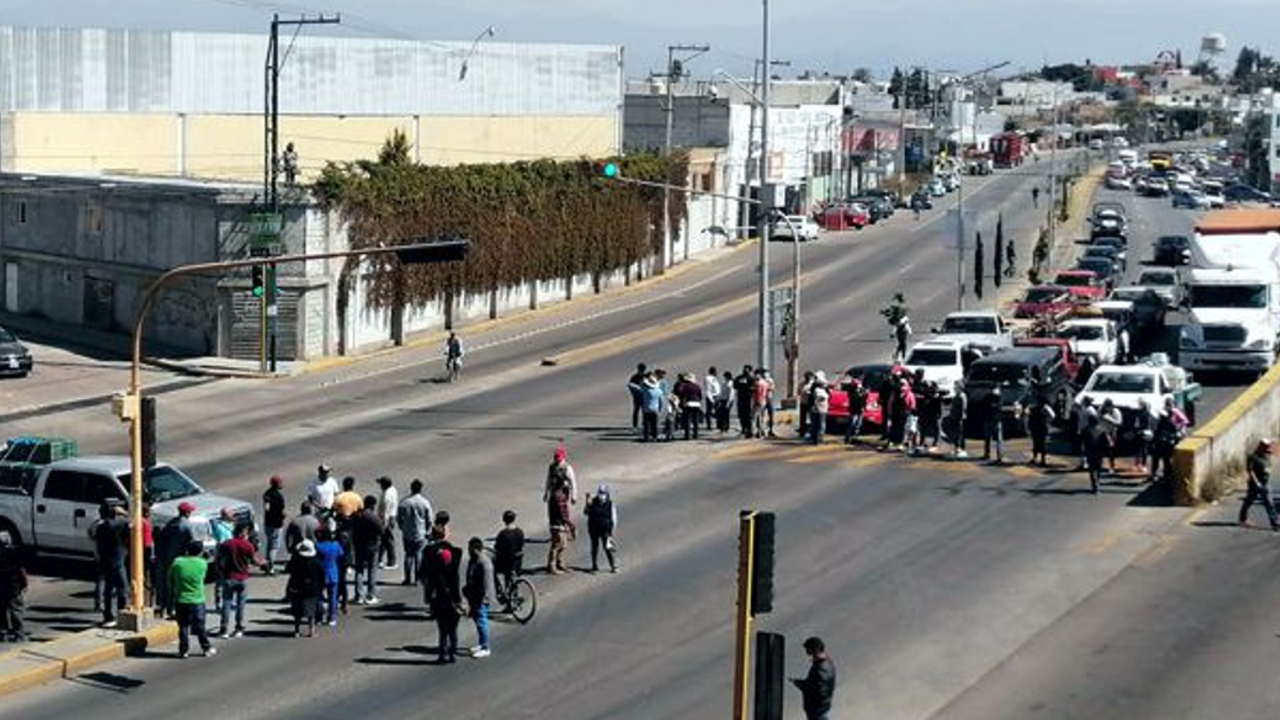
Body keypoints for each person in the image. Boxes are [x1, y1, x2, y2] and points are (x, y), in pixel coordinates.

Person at [170, 540, 215, 658]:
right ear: (200, 551)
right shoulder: (202, 563)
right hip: (197, 600)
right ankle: (206, 648)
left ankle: (183, 650)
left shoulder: (177, 562)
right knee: (200, 626)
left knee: (183, 626)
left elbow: (170, 579)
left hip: (181, 599)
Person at [217, 522, 259, 638]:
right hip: (242, 578)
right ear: (241, 533)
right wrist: (263, 563)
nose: (247, 535)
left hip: (229, 577)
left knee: (226, 603)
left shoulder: (226, 544)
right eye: (246, 532)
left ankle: (224, 629)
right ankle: (239, 627)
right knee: (241, 605)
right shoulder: (247, 545)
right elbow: (254, 560)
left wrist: (221, 572)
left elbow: (219, 560)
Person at [423, 537, 462, 663]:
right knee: (453, 631)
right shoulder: (454, 571)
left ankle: (442, 654)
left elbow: (430, 588)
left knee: (443, 631)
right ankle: (452, 653)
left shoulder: (436, 573)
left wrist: (429, 599)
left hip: (441, 604)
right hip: (453, 604)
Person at [155, 502, 197, 618]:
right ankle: (173, 609)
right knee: (177, 585)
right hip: (179, 559)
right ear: (187, 512)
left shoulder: (171, 523)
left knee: (167, 584)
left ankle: (166, 608)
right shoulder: (186, 525)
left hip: (167, 558)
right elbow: (192, 543)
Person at [92, 503, 129, 627]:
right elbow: (132, 522)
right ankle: (121, 613)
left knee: (108, 589)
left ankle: (108, 615)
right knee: (122, 588)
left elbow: (93, 536)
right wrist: (123, 512)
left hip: (105, 560)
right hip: (117, 561)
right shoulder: (118, 524)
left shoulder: (100, 527)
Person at [461, 537, 496, 659]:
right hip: (474, 596)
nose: (468, 551)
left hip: (481, 598)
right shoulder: (474, 560)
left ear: (475, 549)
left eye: (470, 548)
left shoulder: (484, 563)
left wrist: (480, 599)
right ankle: (481, 644)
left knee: (481, 621)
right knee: (477, 619)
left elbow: (485, 585)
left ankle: (485, 647)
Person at [543, 446, 577, 574]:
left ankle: (560, 563)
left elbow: (573, 482)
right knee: (558, 542)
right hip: (556, 513)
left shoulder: (567, 468)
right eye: (555, 458)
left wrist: (574, 496)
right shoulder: (551, 467)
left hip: (561, 501)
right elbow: (548, 481)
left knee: (563, 543)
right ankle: (552, 565)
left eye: (559, 458)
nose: (557, 460)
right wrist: (546, 493)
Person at [790, 636, 837, 720]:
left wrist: (799, 683)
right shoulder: (825, 662)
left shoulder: (821, 668)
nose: (806, 651)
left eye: (808, 649)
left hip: (817, 710)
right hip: (821, 708)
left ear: (815, 650)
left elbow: (816, 690)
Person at [397, 479, 433, 586]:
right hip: (420, 532)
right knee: (419, 556)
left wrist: (402, 528)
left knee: (408, 555)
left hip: (407, 533)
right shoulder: (425, 502)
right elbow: (429, 519)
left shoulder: (404, 502)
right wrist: (427, 529)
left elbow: (399, 518)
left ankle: (407, 578)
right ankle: (418, 578)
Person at [285, 539, 324, 638]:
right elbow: (321, 576)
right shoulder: (316, 562)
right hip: (312, 589)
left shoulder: (296, 560)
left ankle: (296, 630)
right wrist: (321, 589)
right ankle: (311, 630)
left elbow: (289, 570)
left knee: (297, 611)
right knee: (311, 612)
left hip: (297, 588)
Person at [351, 495, 384, 605]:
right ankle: (370, 595)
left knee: (359, 570)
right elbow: (381, 530)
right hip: (371, 546)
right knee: (371, 570)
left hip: (359, 545)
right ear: (373, 505)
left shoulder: (357, 515)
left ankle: (358, 596)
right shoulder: (373, 517)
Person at [1239, 439, 1279, 531]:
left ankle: (1275, 523)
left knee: (1269, 503)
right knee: (1250, 501)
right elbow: (1250, 471)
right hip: (1256, 484)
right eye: (1266, 447)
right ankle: (1243, 519)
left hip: (1265, 483)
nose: (1267, 449)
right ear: (1261, 446)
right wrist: (1256, 482)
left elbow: (1273, 453)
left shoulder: (1266, 455)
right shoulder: (1252, 457)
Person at [1149, 398, 1188, 484]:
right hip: (1162, 440)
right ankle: (1155, 474)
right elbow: (1156, 429)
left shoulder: (1174, 414)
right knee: (1158, 457)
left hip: (1171, 438)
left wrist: (1179, 429)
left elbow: (1184, 421)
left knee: (1166, 458)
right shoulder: (1162, 420)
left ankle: (1167, 475)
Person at [0, 531, 28, 642]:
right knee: (16, 610)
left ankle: (3, 633)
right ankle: (19, 634)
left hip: (1, 587)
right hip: (13, 587)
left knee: (1, 611)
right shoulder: (15, 552)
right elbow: (21, 571)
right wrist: (25, 583)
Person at [314, 528, 345, 627]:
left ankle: (319, 616)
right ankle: (332, 618)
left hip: (320, 574)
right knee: (333, 597)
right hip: (333, 573)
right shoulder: (336, 545)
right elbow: (341, 555)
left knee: (319, 596)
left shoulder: (318, 546)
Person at [584, 485, 618, 573]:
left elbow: (614, 519)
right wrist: (587, 502)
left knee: (608, 548)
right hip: (594, 528)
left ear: (607, 494)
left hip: (606, 529)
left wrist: (611, 533)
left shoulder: (610, 504)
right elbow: (586, 512)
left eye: (603, 493)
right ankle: (594, 565)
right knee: (594, 547)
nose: (601, 495)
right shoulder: (593, 502)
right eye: (600, 493)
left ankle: (613, 565)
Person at [493, 510, 525, 590]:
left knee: (494, 569)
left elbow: (497, 547)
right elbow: (521, 544)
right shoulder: (520, 532)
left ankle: (499, 589)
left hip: (507, 561)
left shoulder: (503, 534)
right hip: (518, 560)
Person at [261, 475, 287, 575]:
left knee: (269, 544)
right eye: (281, 482)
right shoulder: (279, 497)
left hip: (268, 523)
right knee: (274, 547)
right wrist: (281, 516)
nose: (282, 484)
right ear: (277, 484)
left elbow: (266, 508)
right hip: (276, 525)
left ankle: (268, 565)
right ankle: (271, 568)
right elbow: (281, 511)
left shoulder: (267, 494)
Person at [376, 477, 399, 570]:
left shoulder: (387, 496)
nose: (380, 486)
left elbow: (386, 511)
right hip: (391, 518)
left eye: (381, 484)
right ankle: (380, 559)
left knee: (387, 541)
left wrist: (383, 524)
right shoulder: (392, 490)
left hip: (387, 519)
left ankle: (391, 561)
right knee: (385, 540)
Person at [674, 372, 705, 440]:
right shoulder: (697, 386)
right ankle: (695, 435)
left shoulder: (685, 385)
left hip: (688, 404)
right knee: (695, 420)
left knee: (687, 420)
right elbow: (700, 396)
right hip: (696, 404)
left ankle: (687, 435)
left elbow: (679, 392)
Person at [1027, 397, 1056, 466]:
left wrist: (1047, 421)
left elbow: (1052, 416)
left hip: (1041, 427)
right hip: (1037, 427)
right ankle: (1036, 459)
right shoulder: (1033, 407)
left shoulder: (1045, 407)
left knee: (1041, 444)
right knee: (1036, 443)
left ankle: (1042, 460)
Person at [1083, 414, 1108, 495]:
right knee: (1098, 469)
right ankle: (1097, 484)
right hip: (1099, 452)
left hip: (1090, 452)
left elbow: (1083, 442)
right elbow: (1107, 442)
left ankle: (1095, 486)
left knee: (1092, 469)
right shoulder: (1102, 430)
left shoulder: (1086, 430)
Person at [1098, 398, 1124, 474]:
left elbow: (1118, 423)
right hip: (1102, 431)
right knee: (1099, 449)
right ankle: (1099, 464)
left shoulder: (1116, 412)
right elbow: (1098, 419)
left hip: (1112, 431)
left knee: (1111, 450)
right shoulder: (1101, 410)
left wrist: (1108, 419)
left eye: (1108, 406)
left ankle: (1111, 466)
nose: (1106, 408)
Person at [982, 386, 1004, 464]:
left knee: (989, 438)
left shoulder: (988, 397)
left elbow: (984, 407)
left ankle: (988, 454)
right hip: (995, 420)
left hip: (991, 420)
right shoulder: (999, 398)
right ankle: (999, 456)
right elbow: (1000, 408)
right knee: (997, 439)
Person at [947, 379, 969, 458]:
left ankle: (960, 449)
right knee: (955, 434)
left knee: (960, 434)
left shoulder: (962, 396)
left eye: (956, 386)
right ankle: (956, 448)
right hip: (954, 417)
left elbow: (963, 408)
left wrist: (960, 418)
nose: (955, 387)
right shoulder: (957, 395)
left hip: (959, 418)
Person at [1132, 399, 1154, 474]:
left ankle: (1142, 465)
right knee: (1139, 449)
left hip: (1144, 433)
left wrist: (1139, 430)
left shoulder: (1146, 414)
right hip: (1141, 432)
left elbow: (1147, 424)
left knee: (1143, 449)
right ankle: (1138, 464)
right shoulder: (1141, 413)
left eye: (1140, 405)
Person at [734, 365, 757, 437]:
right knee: (741, 415)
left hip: (748, 400)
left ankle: (749, 430)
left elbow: (754, 388)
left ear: (750, 371)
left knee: (748, 416)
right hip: (740, 399)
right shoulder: (739, 378)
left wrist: (750, 390)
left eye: (747, 369)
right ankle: (743, 429)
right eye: (744, 369)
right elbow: (735, 386)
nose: (745, 370)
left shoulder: (751, 379)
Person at [639, 373, 663, 442]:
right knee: (654, 424)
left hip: (646, 409)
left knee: (646, 424)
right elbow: (661, 401)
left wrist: (644, 380)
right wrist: (660, 408)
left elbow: (640, 385)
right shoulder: (659, 391)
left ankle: (646, 437)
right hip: (655, 409)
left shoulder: (646, 390)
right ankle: (654, 437)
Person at [843, 376, 866, 445]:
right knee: (852, 423)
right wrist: (861, 394)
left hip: (860, 409)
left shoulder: (861, 390)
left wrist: (863, 393)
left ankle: (855, 437)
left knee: (858, 424)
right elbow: (855, 399)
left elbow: (863, 398)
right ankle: (848, 437)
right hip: (854, 410)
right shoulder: (851, 391)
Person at [809, 373, 830, 445]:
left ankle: (815, 439)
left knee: (816, 425)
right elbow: (822, 397)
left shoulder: (815, 388)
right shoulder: (817, 390)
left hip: (818, 409)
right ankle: (819, 440)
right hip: (820, 409)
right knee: (821, 425)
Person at [627, 362, 648, 430]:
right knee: (637, 411)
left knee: (643, 411)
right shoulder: (635, 377)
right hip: (638, 397)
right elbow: (630, 386)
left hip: (643, 397)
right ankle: (635, 425)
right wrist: (634, 393)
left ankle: (644, 424)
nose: (641, 371)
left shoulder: (646, 377)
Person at [703, 367, 722, 431]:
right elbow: (708, 389)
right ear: (713, 372)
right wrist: (711, 399)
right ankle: (709, 425)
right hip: (711, 396)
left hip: (717, 396)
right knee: (709, 412)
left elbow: (717, 388)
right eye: (716, 371)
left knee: (718, 411)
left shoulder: (715, 378)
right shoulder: (708, 378)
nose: (717, 373)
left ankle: (718, 424)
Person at [798, 371, 815, 438]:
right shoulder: (802, 383)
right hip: (803, 402)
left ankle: (811, 433)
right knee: (802, 418)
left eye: (809, 377)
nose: (807, 379)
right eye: (806, 377)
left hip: (810, 403)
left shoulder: (812, 383)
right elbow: (799, 391)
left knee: (812, 418)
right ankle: (802, 432)